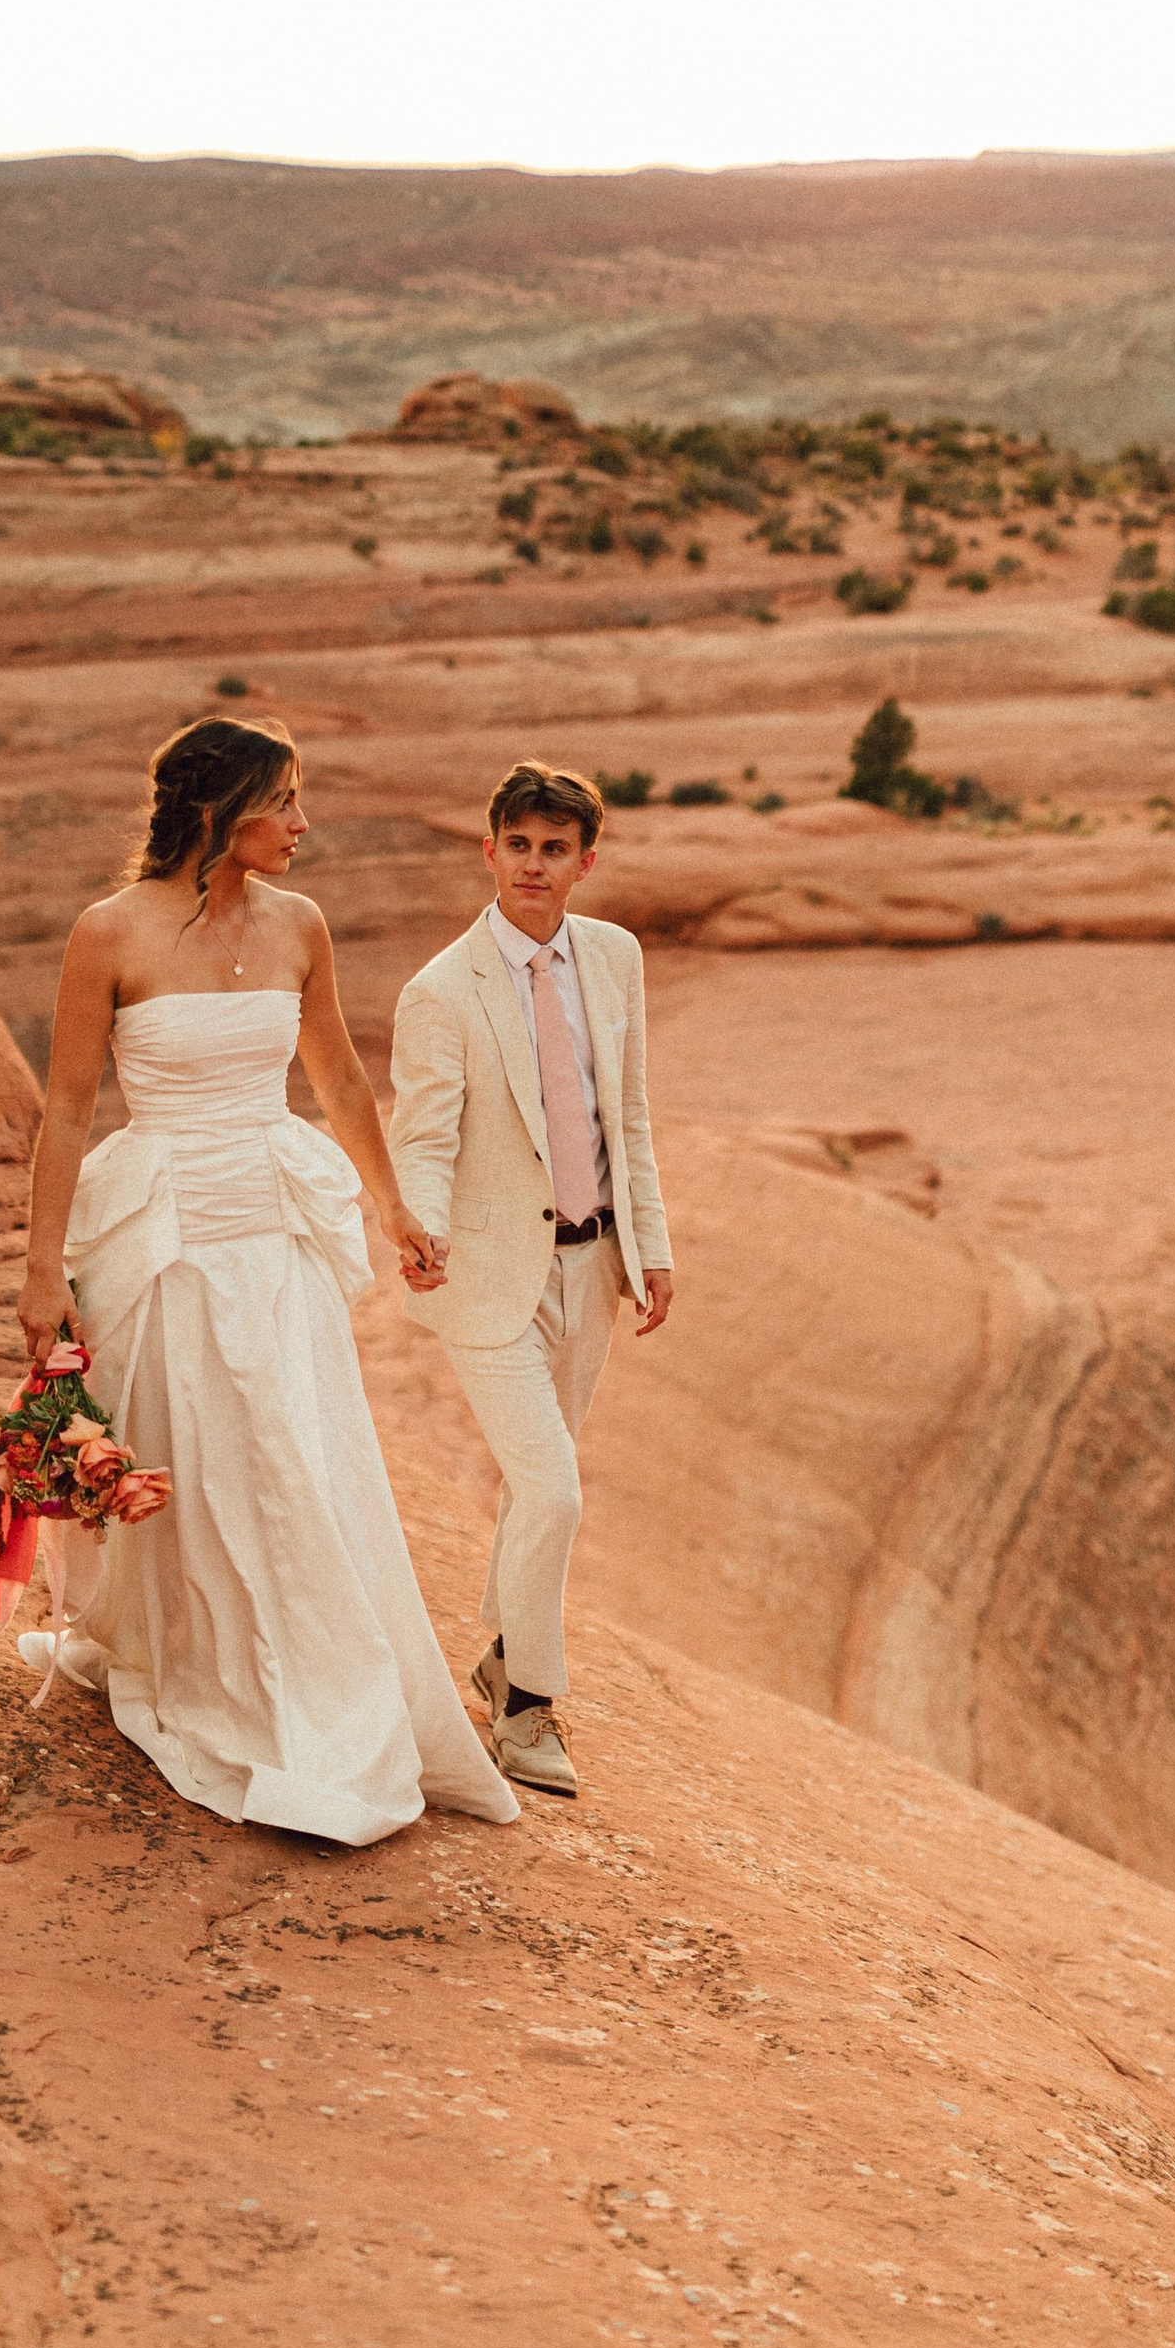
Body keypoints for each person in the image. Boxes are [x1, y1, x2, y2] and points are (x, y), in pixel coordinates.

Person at [11, 714, 518, 1841]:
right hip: (165, 1240)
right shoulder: (109, 934)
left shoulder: (299, 925)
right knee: (199, 1460)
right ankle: (200, 1667)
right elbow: (65, 1109)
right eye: (284, 800)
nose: (302, 824)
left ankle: (325, 1703)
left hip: (273, 1234)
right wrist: (42, 1268)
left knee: (292, 1457)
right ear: (219, 809)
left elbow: (335, 1075)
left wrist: (397, 1211)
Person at [388, 761, 673, 1796]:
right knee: (553, 1488)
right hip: (486, 1278)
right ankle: (525, 1711)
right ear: (489, 849)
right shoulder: (438, 990)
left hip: (592, 1267)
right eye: (519, 845)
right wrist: (416, 1226)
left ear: (584, 861)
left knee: (532, 1487)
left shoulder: (614, 957)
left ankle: (502, 1651)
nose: (534, 866)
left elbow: (625, 1112)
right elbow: (421, 1136)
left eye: (556, 850)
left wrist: (653, 1245)